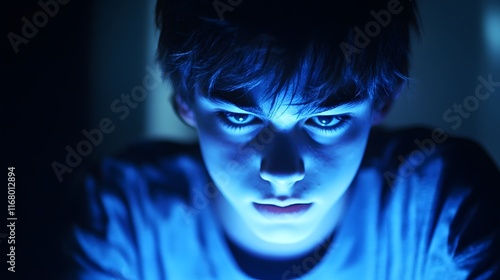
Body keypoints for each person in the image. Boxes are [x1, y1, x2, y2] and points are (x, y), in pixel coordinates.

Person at [62, 0, 500, 279]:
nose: (282, 173)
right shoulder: (125, 220)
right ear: (185, 103)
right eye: (239, 118)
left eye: (326, 121)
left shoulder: (442, 214)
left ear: (381, 103)